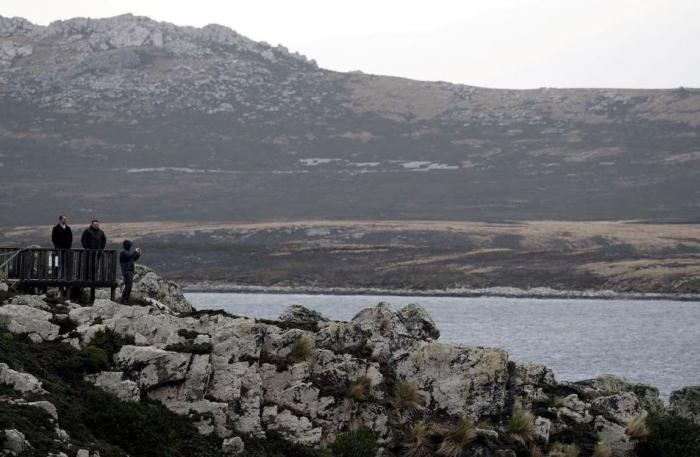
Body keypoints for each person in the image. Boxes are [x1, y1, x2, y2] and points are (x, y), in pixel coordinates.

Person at [51, 215, 73, 280]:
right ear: (60, 220)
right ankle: (57, 277)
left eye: (66, 219)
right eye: (64, 219)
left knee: (66, 264)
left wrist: (69, 246)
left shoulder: (68, 228)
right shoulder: (55, 228)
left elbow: (70, 238)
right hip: (58, 249)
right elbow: (53, 238)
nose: (65, 220)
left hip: (66, 249)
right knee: (57, 263)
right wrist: (57, 246)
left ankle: (65, 277)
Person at [119, 240, 141, 304]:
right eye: (129, 245)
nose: (130, 247)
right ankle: (125, 300)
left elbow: (132, 259)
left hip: (130, 271)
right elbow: (129, 256)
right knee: (128, 286)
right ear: (127, 245)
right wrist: (135, 251)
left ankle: (123, 300)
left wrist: (138, 255)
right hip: (126, 271)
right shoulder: (123, 252)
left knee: (128, 286)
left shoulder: (127, 252)